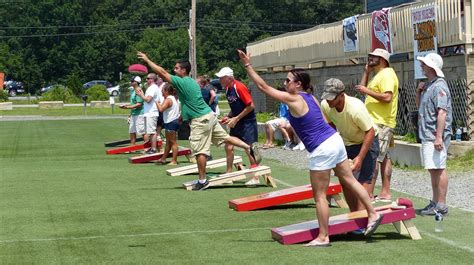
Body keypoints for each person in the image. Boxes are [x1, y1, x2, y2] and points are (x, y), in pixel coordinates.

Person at [238, 49, 382, 247]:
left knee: (320, 196)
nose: (285, 83)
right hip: (335, 141)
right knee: (349, 180)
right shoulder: (311, 97)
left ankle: (323, 237)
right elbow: (323, 121)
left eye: (288, 81)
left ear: (298, 85)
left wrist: (247, 66)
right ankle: (373, 214)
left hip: (322, 148)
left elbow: (263, 87)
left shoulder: (295, 98)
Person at [137, 52, 261, 191]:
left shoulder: (182, 81)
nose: (174, 70)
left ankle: (202, 181)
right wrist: (183, 115)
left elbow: (162, 72)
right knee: (226, 138)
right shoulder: (192, 82)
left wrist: (148, 60)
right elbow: (188, 100)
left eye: (177, 68)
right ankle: (248, 147)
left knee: (199, 151)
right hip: (209, 116)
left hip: (200, 120)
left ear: (184, 70)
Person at [320, 78, 380, 213]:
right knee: (345, 180)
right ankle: (355, 214)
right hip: (347, 142)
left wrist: (360, 157)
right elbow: (331, 126)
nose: (329, 101)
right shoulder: (325, 105)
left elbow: (369, 131)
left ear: (341, 95)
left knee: (364, 180)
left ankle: (363, 216)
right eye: (327, 97)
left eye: (332, 98)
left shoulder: (355, 108)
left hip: (367, 141)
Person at [355, 48, 399, 202]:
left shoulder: (387, 74)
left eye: (373, 56)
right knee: (384, 156)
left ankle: (368, 193)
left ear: (382, 59)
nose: (369, 58)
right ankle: (385, 192)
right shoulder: (378, 75)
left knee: (373, 158)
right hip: (377, 121)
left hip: (381, 122)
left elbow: (387, 97)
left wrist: (367, 90)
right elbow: (362, 90)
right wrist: (366, 73)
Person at [415, 53, 452, 216]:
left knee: (439, 168)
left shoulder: (439, 86)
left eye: (424, 64)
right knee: (433, 168)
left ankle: (441, 204)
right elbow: (421, 107)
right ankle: (436, 201)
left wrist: (439, 136)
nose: (422, 66)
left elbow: (442, 113)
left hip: (434, 135)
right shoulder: (430, 85)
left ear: (432, 67)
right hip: (428, 134)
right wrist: (418, 92)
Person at [216, 67, 260, 185]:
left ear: (229, 78)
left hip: (247, 122)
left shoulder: (239, 87)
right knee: (228, 146)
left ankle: (255, 176)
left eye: (222, 77)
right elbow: (235, 107)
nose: (220, 80)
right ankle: (229, 174)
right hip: (236, 121)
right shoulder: (227, 89)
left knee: (249, 148)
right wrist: (228, 116)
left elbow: (251, 106)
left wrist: (236, 118)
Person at [136, 73, 164, 154]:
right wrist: (142, 94)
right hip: (149, 112)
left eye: (148, 78)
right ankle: (152, 147)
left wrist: (140, 94)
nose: (146, 80)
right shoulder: (151, 88)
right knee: (150, 132)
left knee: (152, 132)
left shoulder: (153, 88)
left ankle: (154, 149)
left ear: (152, 79)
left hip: (152, 113)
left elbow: (148, 100)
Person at [156, 83, 181, 165]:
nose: (162, 92)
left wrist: (157, 102)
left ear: (166, 91)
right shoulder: (172, 98)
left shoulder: (169, 99)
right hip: (170, 121)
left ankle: (174, 160)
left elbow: (161, 109)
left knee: (173, 142)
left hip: (171, 122)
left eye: (162, 90)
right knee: (168, 142)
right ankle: (163, 158)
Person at [119, 76, 145, 145]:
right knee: (132, 131)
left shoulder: (138, 90)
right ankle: (132, 147)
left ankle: (147, 148)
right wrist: (130, 113)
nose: (131, 82)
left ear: (137, 82)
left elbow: (139, 104)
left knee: (142, 132)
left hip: (140, 114)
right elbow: (133, 103)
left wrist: (126, 107)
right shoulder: (133, 90)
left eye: (132, 81)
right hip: (134, 114)